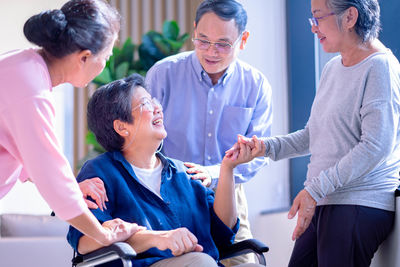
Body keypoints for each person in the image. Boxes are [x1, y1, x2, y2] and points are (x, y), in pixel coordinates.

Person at [230, 0, 400, 266]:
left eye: (318, 18)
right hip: (324, 199)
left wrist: (314, 189)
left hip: (358, 203)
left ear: (350, 17)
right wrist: (265, 147)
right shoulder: (332, 67)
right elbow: (314, 134)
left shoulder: (380, 67)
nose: (313, 27)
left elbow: (376, 146)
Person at [67, 74, 264, 267]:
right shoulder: (101, 172)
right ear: (121, 126)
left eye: (155, 102)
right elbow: (84, 242)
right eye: (146, 104)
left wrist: (227, 168)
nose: (157, 109)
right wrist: (156, 238)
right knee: (200, 262)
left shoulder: (183, 173)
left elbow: (223, 232)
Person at [0, 0, 140, 246]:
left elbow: (30, 156)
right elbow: (49, 175)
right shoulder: (32, 91)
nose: (104, 65)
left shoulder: (23, 65)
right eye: (106, 57)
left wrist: (74, 187)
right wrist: (104, 235)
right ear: (85, 57)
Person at [145, 1, 273, 264]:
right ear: (194, 30)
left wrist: (216, 173)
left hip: (229, 193)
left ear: (243, 40)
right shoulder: (163, 74)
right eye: (202, 41)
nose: (211, 52)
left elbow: (259, 154)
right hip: (170, 191)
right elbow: (143, 140)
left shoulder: (256, 85)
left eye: (223, 44)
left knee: (244, 261)